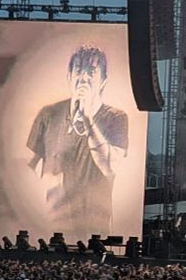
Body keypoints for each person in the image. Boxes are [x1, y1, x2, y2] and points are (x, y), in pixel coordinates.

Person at [26, 45, 130, 237]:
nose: (83, 77)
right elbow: (25, 166)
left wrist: (88, 118)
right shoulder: (48, 114)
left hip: (94, 225)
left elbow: (110, 165)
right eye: (78, 70)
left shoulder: (116, 117)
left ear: (103, 81)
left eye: (91, 72)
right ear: (69, 77)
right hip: (53, 223)